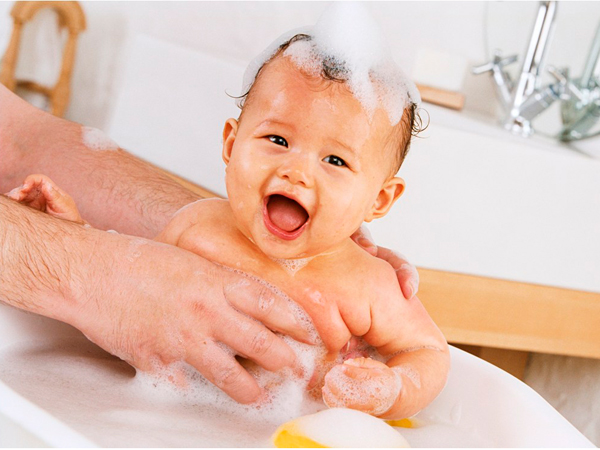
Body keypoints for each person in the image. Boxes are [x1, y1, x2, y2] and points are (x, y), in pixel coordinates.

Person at [8, 29, 449, 419]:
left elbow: (426, 352)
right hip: (158, 418)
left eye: (335, 160)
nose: (297, 171)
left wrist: (392, 389)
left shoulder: (366, 282)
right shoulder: (196, 227)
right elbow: (128, 307)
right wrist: (76, 233)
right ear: (231, 144)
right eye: (277, 140)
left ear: (379, 199)